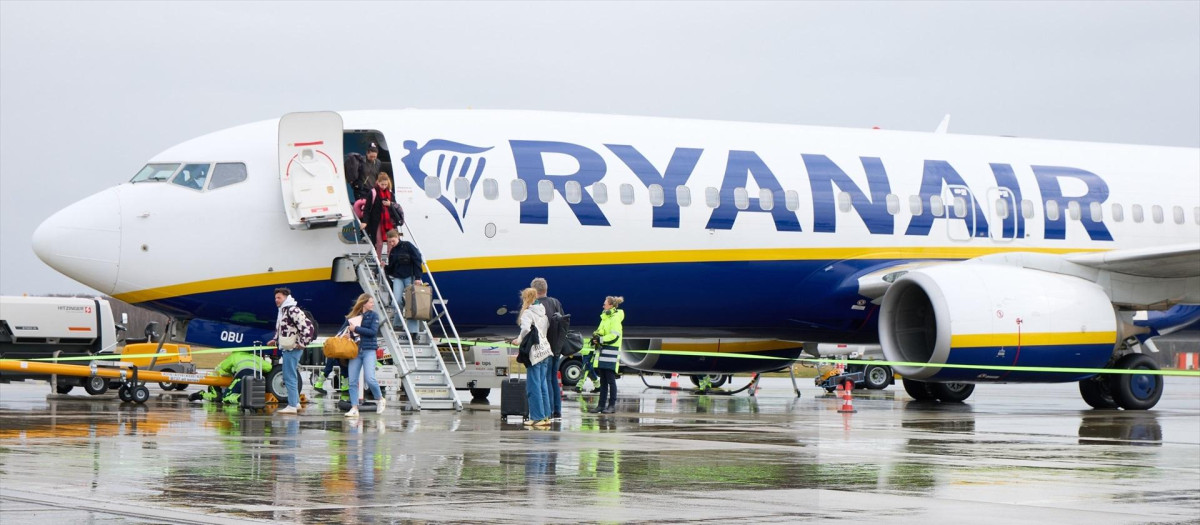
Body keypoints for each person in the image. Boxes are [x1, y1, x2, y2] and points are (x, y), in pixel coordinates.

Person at [267, 288, 314, 414]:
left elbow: (308, 328)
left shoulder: (292, 310)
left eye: (279, 298)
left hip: (293, 348)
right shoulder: (283, 311)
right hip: (287, 347)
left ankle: (292, 405)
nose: (276, 300)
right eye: (275, 298)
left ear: (286, 297)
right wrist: (275, 340)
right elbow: (284, 330)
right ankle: (295, 403)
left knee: (289, 376)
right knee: (289, 375)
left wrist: (302, 343)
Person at [511, 288, 554, 427]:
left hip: (534, 353)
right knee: (543, 386)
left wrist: (519, 340)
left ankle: (537, 417)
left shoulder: (527, 313)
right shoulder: (543, 312)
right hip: (545, 351)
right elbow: (544, 329)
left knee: (533, 387)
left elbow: (525, 330)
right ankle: (546, 416)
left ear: (525, 298)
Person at [343, 293, 386, 418]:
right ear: (364, 303)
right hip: (356, 350)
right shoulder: (353, 316)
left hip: (369, 350)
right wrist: (348, 335)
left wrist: (355, 329)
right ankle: (354, 407)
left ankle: (380, 399)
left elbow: (372, 332)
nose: (373, 304)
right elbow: (349, 331)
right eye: (371, 302)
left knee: (370, 378)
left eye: (373, 302)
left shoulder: (374, 316)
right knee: (352, 381)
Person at [530, 277, 564, 420]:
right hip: (556, 347)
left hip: (543, 349)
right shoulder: (555, 303)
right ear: (546, 289)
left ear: (534, 290)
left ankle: (548, 411)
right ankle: (557, 410)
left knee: (544, 380)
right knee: (553, 379)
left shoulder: (536, 306)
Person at [188, 350, 272, 403]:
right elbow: (269, 367)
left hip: (239, 379)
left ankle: (241, 398)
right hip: (216, 379)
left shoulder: (235, 356)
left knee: (226, 397)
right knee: (217, 396)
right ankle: (201, 395)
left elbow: (225, 366)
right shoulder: (255, 357)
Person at [385, 229, 424, 335]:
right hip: (398, 277)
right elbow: (392, 267)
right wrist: (384, 267)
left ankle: (413, 331)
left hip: (410, 277)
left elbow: (417, 260)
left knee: (412, 304)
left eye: (393, 241)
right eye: (389, 242)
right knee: (396, 301)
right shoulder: (393, 251)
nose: (391, 244)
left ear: (398, 237)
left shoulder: (408, 246)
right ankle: (398, 324)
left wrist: (418, 277)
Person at [589, 296, 624, 414]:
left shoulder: (615, 318)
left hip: (610, 353)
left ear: (611, 305)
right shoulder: (605, 317)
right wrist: (595, 337)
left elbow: (615, 335)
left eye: (605, 304)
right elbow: (600, 331)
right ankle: (601, 405)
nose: (603, 306)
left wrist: (601, 339)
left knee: (610, 380)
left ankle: (612, 405)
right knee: (603, 380)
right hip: (602, 352)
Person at [360, 172, 399, 258]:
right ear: (378, 182)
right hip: (377, 221)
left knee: (390, 243)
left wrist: (390, 204)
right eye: (382, 184)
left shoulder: (390, 193)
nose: (384, 186)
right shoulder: (373, 192)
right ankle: (378, 261)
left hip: (389, 221)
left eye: (385, 184)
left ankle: (390, 261)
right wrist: (365, 222)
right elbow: (367, 209)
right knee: (379, 243)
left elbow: (395, 205)